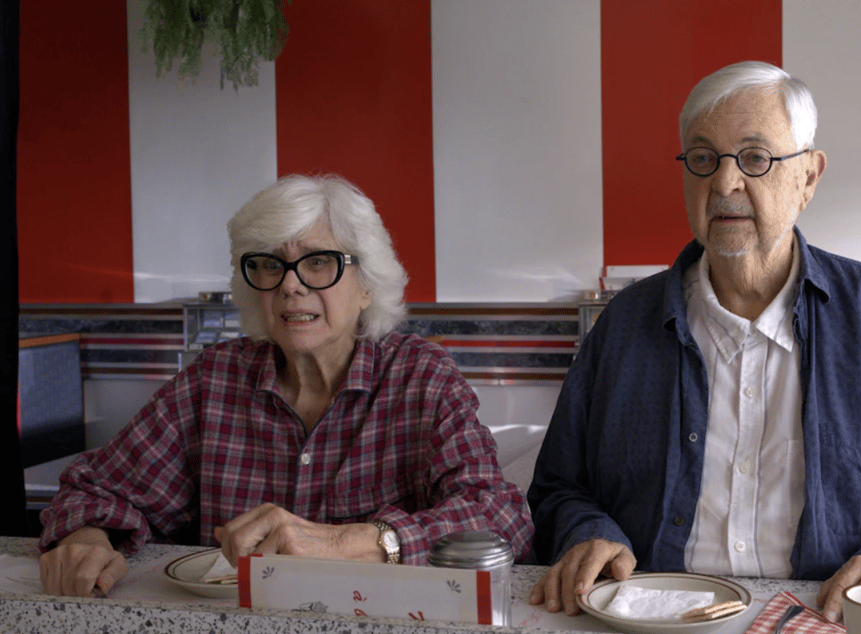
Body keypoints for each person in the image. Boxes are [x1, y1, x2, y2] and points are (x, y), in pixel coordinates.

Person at [527, 61, 861, 622]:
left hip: (829, 617)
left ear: (808, 177)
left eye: (756, 158)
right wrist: (588, 532)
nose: (724, 183)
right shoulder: (625, 324)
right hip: (654, 617)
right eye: (703, 159)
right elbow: (559, 486)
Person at [39, 174, 534, 597]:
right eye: (269, 265)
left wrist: (350, 544)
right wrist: (89, 537)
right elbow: (96, 489)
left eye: (319, 262)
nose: (290, 285)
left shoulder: (420, 378)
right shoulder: (214, 382)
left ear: (367, 285)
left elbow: (499, 519)